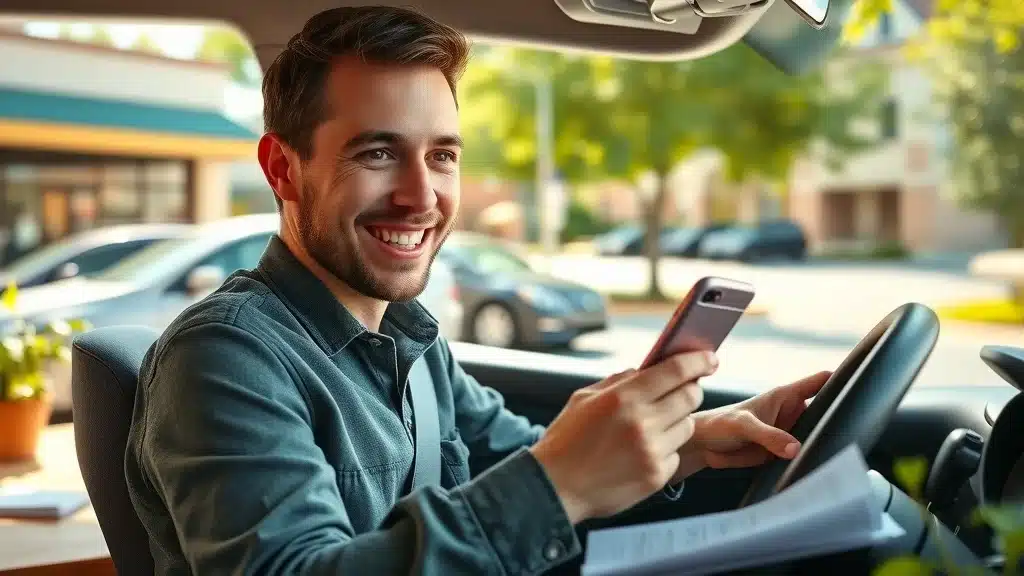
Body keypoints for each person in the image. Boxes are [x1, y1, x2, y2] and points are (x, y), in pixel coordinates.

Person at [123, 6, 831, 575]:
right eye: (378, 153)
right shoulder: (224, 357)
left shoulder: (411, 337)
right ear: (282, 169)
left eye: (442, 156)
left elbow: (521, 457)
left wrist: (692, 441)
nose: (420, 196)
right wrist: (557, 486)